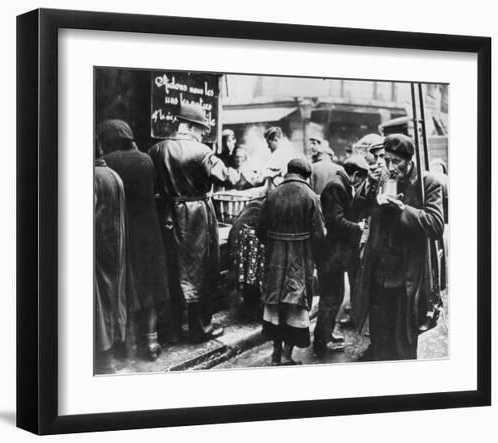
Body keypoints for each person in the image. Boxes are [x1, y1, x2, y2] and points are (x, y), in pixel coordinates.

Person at [149, 103, 242, 343]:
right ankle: (200, 329)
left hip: (167, 214)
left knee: (172, 270)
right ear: (191, 126)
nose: (202, 134)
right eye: (201, 129)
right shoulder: (201, 152)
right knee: (202, 271)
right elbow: (227, 178)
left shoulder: (157, 149)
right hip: (196, 215)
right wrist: (241, 171)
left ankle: (171, 331)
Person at [352, 134, 444, 361]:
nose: (391, 167)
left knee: (403, 345)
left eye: (397, 162)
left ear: (409, 160)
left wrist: (403, 209)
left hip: (406, 280)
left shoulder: (427, 183)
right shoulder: (381, 178)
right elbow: (356, 211)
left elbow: (435, 225)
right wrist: (370, 184)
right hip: (378, 277)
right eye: (387, 160)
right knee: (380, 343)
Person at [99, 119, 170, 361]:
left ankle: (126, 346)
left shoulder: (109, 161)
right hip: (150, 231)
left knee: (128, 287)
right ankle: (151, 342)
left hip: (125, 232)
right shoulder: (145, 159)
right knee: (151, 285)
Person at [256, 158, 326, 365]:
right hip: (300, 257)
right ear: (306, 175)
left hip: (275, 258)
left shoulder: (273, 194)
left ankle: (275, 354)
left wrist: (274, 242)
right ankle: (287, 355)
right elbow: (319, 235)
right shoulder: (311, 196)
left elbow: (260, 229)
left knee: (275, 304)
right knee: (296, 304)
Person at [312, 154, 369, 355]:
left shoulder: (340, 183)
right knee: (331, 297)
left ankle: (325, 334)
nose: (361, 183)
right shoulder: (337, 186)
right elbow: (335, 221)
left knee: (333, 296)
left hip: (333, 252)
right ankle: (321, 341)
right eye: (361, 178)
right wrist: (358, 227)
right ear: (354, 174)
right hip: (330, 253)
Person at [94, 142, 127, 371]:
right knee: (115, 293)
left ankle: (103, 357)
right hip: (117, 241)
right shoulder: (113, 174)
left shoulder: (91, 177)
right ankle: (118, 344)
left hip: (98, 243)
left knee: (100, 298)